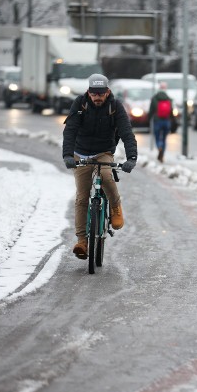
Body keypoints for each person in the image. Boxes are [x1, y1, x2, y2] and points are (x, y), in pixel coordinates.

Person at [62, 73, 138, 259]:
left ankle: (115, 206)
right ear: (88, 92)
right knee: (81, 197)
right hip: (80, 152)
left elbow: (126, 132)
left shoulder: (115, 106)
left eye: (101, 94)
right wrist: (67, 155)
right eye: (94, 93)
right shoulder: (80, 104)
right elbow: (70, 130)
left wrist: (132, 157)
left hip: (103, 151)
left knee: (105, 176)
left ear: (107, 92)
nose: (97, 97)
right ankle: (82, 242)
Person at [148, 82, 173, 162]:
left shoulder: (155, 98)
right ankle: (162, 155)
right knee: (164, 139)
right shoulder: (168, 98)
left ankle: (159, 147)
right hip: (166, 121)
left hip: (157, 121)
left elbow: (151, 110)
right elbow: (171, 111)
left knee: (158, 137)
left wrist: (149, 119)